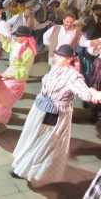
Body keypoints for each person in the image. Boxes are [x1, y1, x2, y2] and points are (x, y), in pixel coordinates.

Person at [11, 45, 101, 186]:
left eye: (61, 56)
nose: (57, 57)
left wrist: (95, 94)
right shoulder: (55, 68)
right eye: (57, 55)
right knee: (32, 137)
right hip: (39, 110)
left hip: (54, 115)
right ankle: (21, 166)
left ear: (69, 59)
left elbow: (85, 93)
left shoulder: (73, 77)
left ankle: (30, 172)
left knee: (45, 143)